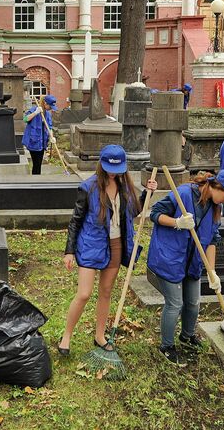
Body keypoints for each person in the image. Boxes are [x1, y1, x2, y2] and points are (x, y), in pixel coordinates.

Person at [58, 145, 157, 355]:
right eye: (110, 168)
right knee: (84, 294)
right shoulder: (88, 187)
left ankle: (99, 335)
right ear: (101, 165)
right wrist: (69, 251)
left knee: (105, 292)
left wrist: (147, 193)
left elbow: (134, 213)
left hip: (117, 246)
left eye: (118, 169)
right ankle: (66, 336)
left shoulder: (126, 187)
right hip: (91, 245)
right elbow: (75, 221)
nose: (113, 173)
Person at [147, 169, 224, 365]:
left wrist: (212, 272)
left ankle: (187, 336)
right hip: (170, 257)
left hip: (192, 261)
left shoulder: (217, 208)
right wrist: (177, 222)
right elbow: (155, 214)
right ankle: (166, 346)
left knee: (193, 302)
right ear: (217, 186)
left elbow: (212, 240)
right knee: (175, 303)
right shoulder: (183, 194)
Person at [22, 95, 58, 175]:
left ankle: (37, 179)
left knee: (38, 164)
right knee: (36, 164)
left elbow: (50, 127)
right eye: (50, 106)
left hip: (42, 142)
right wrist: (35, 113)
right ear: (45, 103)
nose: (51, 108)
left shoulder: (48, 114)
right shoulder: (34, 109)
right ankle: (35, 181)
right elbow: (25, 119)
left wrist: (52, 137)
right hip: (33, 141)